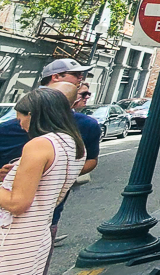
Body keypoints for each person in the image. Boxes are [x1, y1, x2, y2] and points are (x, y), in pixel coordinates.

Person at [0, 88, 86, 274]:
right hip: (38, 236)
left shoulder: (39, 144)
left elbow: (17, 203)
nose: (20, 124)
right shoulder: (74, 144)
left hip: (12, 238)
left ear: (32, 115)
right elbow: (47, 184)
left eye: (20, 118)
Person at [43, 81, 100, 256]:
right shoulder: (10, 128)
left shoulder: (87, 125)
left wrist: (63, 172)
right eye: (83, 94)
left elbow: (91, 160)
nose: (87, 97)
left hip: (50, 211)